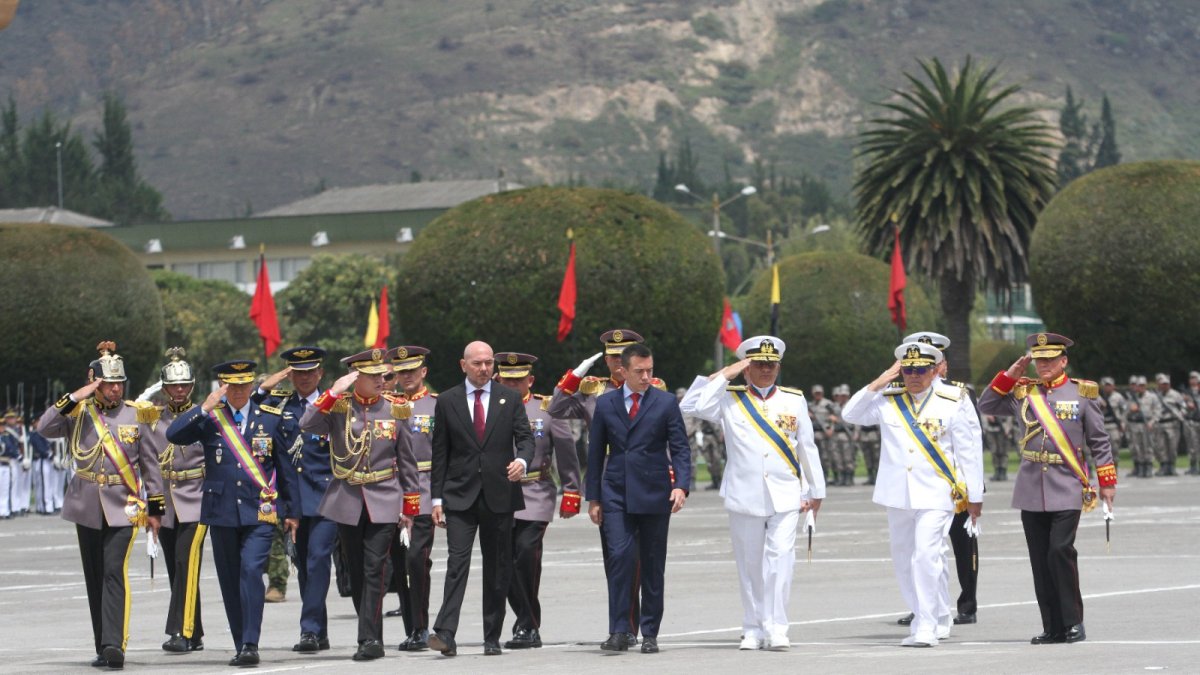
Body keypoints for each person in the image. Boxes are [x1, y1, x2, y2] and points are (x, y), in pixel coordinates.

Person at [680, 336, 824, 651]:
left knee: (780, 561)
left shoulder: (793, 399)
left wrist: (817, 491)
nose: (766, 369)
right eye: (758, 364)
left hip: (786, 493)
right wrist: (729, 372)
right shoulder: (728, 397)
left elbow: (807, 446)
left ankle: (776, 627)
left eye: (771, 364)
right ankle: (752, 628)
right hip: (744, 494)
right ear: (747, 367)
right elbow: (689, 404)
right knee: (749, 565)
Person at [841, 341, 983, 647]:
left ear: (934, 371)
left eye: (920, 370)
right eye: (908, 370)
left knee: (927, 556)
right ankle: (929, 614)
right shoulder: (887, 400)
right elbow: (850, 414)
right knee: (904, 560)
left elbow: (968, 450)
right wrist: (880, 380)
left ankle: (926, 626)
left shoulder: (952, 400)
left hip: (937, 494)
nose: (914, 376)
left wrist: (975, 494)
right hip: (897, 495)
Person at [978, 332, 1117, 644]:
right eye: (1039, 360)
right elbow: (985, 403)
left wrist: (1107, 483)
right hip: (1031, 487)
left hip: (1067, 485)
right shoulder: (1024, 392)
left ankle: (1073, 623)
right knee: (1040, 560)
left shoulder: (1082, 394)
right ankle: (1052, 627)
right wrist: (1010, 374)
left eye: (1050, 359)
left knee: (1059, 551)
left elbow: (1099, 441)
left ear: (1063, 361)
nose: (1043, 365)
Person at [36, 341, 165, 669]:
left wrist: (156, 510)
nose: (115, 389)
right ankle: (101, 644)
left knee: (112, 571)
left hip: (125, 506)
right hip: (86, 504)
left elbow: (150, 464)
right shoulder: (78, 413)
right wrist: (76, 396)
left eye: (119, 383)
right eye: (108, 383)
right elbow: (43, 427)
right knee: (94, 576)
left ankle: (114, 645)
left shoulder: (136, 414)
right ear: (95, 383)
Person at [166, 359, 300, 667]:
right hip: (221, 510)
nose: (238, 392)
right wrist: (203, 407)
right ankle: (242, 643)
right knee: (229, 580)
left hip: (259, 512)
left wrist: (292, 511)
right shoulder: (212, 418)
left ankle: (251, 641)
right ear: (222, 387)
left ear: (252, 385)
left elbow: (285, 468)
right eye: (231, 386)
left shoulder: (269, 419)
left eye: (243, 385)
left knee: (252, 572)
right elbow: (174, 435)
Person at [547, 328, 663, 648]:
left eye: (622, 357)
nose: (617, 363)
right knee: (616, 556)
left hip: (644, 478)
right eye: (612, 357)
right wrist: (577, 373)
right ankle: (621, 627)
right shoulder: (591, 389)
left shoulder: (651, 387)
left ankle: (633, 626)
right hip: (610, 477)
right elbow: (555, 409)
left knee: (638, 559)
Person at [301, 347, 418, 661]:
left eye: (382, 375)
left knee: (375, 567)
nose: (381, 380)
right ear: (356, 378)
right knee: (355, 570)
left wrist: (410, 505)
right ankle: (371, 631)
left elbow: (407, 460)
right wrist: (332, 391)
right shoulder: (339, 408)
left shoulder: (396, 408)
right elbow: (307, 424)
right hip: (347, 498)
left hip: (384, 496)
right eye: (372, 376)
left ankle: (369, 638)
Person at [427, 341, 536, 657]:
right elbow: (440, 454)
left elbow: (526, 440)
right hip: (459, 496)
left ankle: (492, 635)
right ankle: (445, 632)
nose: (485, 368)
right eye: (478, 363)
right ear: (464, 365)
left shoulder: (510, 398)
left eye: (489, 363)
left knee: (498, 566)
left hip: (499, 495)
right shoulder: (447, 401)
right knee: (457, 563)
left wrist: (523, 461)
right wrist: (436, 500)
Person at [588, 343, 691, 654]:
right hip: (616, 492)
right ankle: (620, 630)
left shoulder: (665, 402)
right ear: (623, 371)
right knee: (619, 559)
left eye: (650, 371)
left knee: (652, 564)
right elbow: (594, 455)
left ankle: (649, 632)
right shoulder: (605, 404)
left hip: (655, 492)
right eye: (639, 372)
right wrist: (593, 498)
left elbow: (681, 448)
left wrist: (681, 486)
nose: (646, 377)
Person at [494, 352, 582, 649]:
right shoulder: (488, 407)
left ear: (529, 380)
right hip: (498, 494)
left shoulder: (547, 409)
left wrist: (571, 490)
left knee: (526, 555)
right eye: (507, 379)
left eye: (518, 379)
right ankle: (526, 622)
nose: (512, 384)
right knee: (503, 562)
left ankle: (528, 625)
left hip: (535, 491)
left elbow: (566, 451)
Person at [255, 346, 340, 653]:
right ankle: (321, 631)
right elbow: (246, 407)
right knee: (305, 565)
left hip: (327, 496)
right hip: (293, 499)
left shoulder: (333, 405)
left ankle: (309, 630)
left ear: (320, 373)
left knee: (318, 560)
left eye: (310, 372)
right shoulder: (280, 405)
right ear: (290, 375)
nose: (304, 378)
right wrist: (265, 385)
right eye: (298, 373)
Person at [140, 348, 208, 653]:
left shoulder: (205, 416)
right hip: (166, 501)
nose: (179, 391)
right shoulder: (153, 419)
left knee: (185, 561)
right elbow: (151, 465)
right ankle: (196, 631)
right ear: (164, 388)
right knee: (176, 567)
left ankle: (180, 631)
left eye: (184, 385)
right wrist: (153, 508)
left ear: (192, 386)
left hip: (196, 499)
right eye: (173, 386)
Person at [384, 346, 438, 651]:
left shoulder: (437, 406)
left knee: (417, 560)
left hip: (423, 488)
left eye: (411, 371)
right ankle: (411, 628)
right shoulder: (386, 405)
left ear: (423, 372)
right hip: (388, 490)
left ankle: (420, 626)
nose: (405, 376)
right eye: (400, 371)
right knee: (397, 562)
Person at [1151, 373, 1185, 476]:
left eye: (1166, 383)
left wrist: (1182, 414)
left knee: (1172, 446)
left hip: (1172, 423)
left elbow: (1183, 407)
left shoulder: (1176, 394)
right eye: (1162, 384)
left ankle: (1172, 466)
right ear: (1159, 384)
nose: (1165, 385)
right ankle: (1163, 466)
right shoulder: (1155, 396)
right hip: (1160, 424)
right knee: (1160, 446)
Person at [1125, 376, 1159, 478]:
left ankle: (1148, 467)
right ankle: (1141, 467)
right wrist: (1131, 410)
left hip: (1147, 424)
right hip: (1135, 424)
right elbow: (1126, 413)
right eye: (1139, 385)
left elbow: (1157, 411)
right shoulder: (1132, 398)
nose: (1141, 387)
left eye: (1143, 385)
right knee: (1137, 447)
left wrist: (1152, 422)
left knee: (1148, 446)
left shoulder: (1152, 397)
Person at [1183, 372, 1200, 475]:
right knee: (1192, 445)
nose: (1193, 381)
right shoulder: (1186, 393)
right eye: (1191, 378)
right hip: (1192, 421)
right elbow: (1180, 407)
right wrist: (1186, 404)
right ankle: (1193, 466)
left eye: (1196, 379)